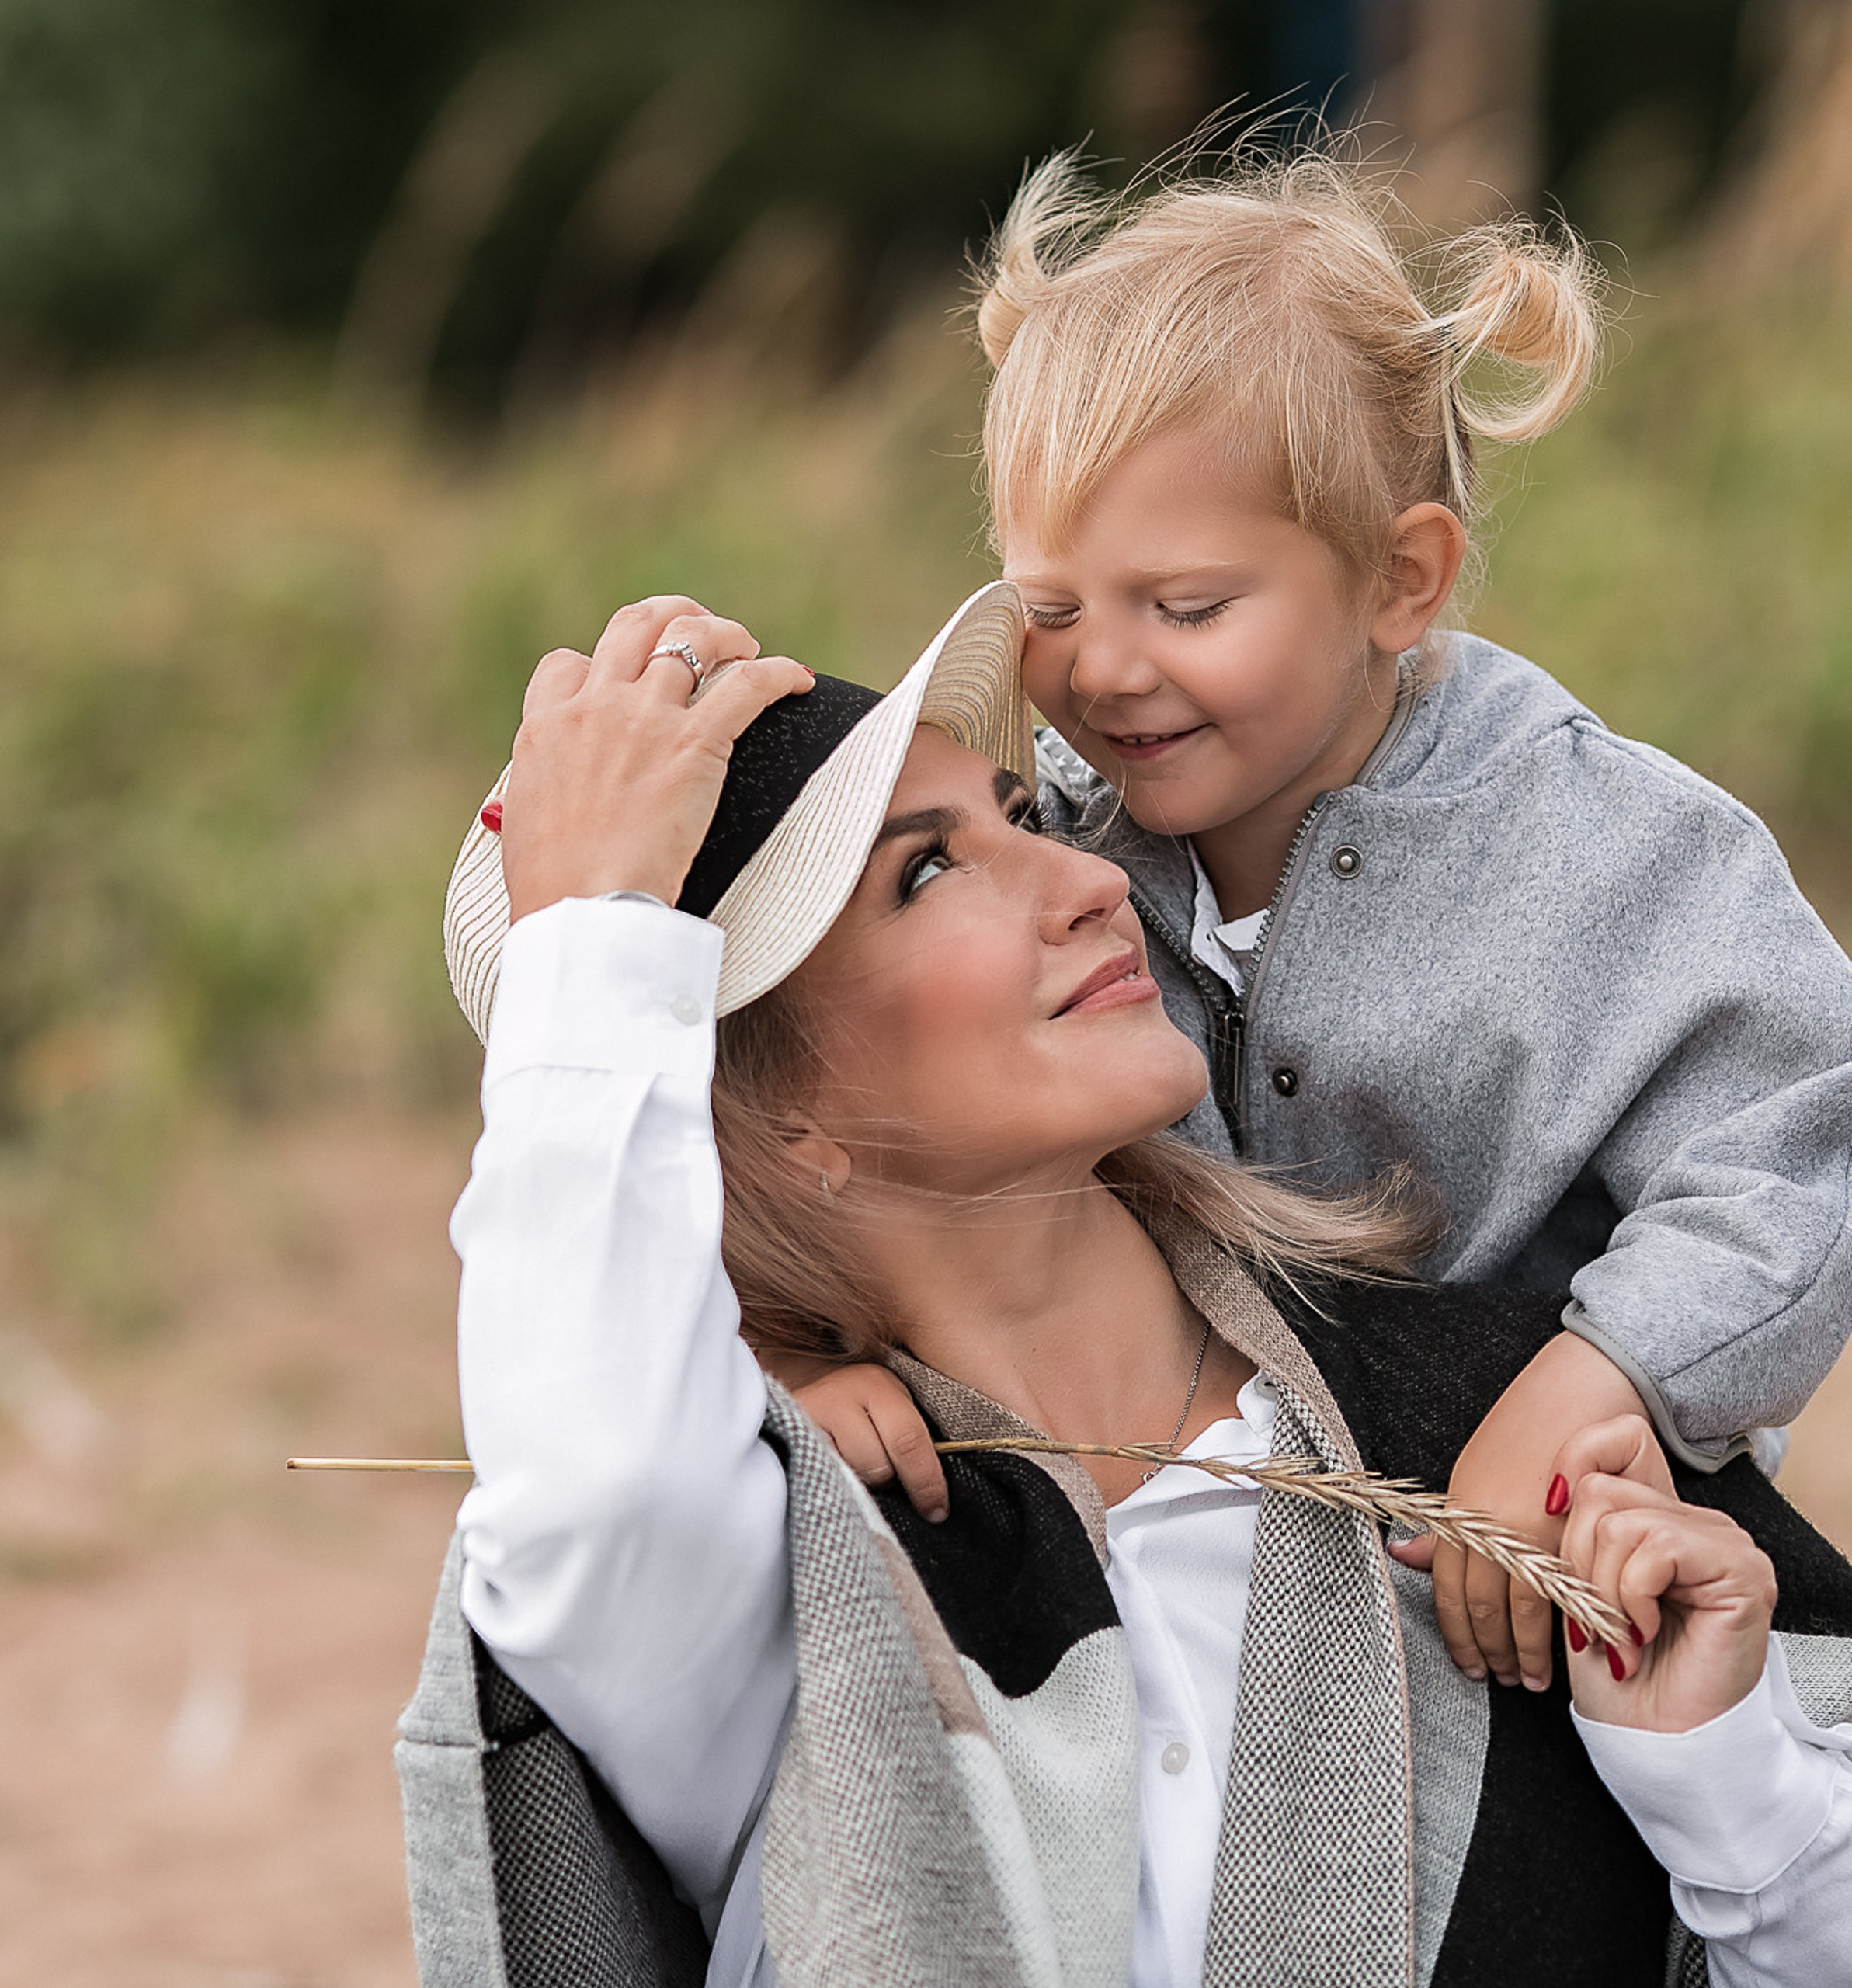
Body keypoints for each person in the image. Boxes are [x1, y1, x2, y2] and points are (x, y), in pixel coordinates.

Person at [405, 588, 1852, 1988]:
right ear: (781, 1120)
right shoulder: (794, 1571)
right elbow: (588, 1474)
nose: (1095, 881)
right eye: (930, 870)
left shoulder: (1494, 1434)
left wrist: (1731, 1791)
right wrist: (593, 923)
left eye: (1023, 817)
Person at [740, 147, 1852, 1698]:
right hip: (1223, 1533)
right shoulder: (1057, 842)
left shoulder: (1595, 844)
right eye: (1049, 610)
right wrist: (788, 1350)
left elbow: (1802, 1139)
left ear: (1398, 581)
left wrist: (1606, 1368)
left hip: (1561, 1532)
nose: (1106, 670)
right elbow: (849, 1120)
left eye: (1184, 607)